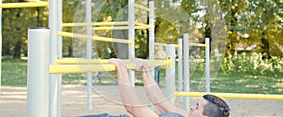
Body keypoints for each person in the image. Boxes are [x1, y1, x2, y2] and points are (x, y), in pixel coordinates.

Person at [81, 58, 230, 117]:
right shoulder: (184, 115)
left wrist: (121, 69)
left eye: (197, 107)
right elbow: (159, 101)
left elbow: (133, 108)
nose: (192, 107)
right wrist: (145, 70)